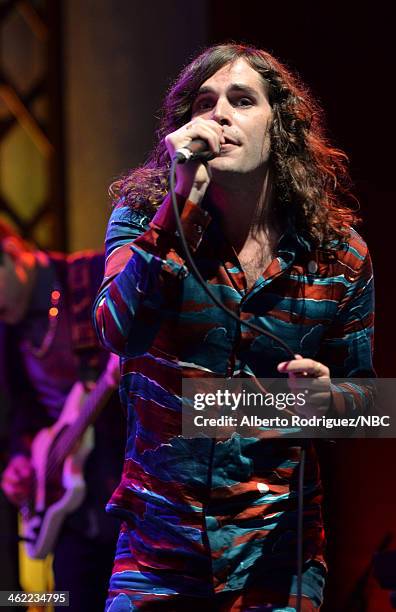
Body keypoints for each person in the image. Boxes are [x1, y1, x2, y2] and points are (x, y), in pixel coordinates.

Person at [94, 43, 375, 611]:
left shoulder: (337, 256)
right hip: (157, 554)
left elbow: (369, 403)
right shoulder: (142, 218)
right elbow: (118, 331)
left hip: (277, 555)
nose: (216, 114)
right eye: (203, 102)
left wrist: (328, 400)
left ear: (282, 130)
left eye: (241, 100)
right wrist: (181, 206)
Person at [0, 221, 125, 612]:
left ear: (12, 251)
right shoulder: (9, 329)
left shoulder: (92, 274)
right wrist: (22, 460)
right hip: (71, 518)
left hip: (129, 501)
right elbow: (25, 414)